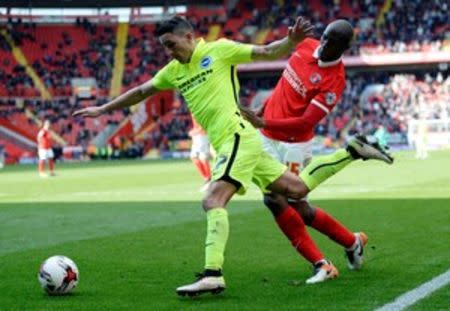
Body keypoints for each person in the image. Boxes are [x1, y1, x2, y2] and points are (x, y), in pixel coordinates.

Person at [73, 16, 392, 297]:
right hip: (245, 140)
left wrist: (289, 41)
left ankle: (213, 274)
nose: (169, 52)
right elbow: (143, 90)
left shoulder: (219, 50)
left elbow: (267, 52)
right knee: (295, 191)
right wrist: (104, 108)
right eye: (164, 47)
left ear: (189, 37)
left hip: (242, 136)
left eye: (171, 44)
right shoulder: (173, 70)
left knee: (213, 200)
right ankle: (351, 152)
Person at [240, 20, 391, 283]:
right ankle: (350, 242)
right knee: (294, 206)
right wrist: (264, 111)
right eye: (324, 37)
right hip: (266, 137)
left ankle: (323, 264)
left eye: (331, 41)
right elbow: (283, 85)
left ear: (343, 47)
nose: (323, 43)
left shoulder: (335, 81)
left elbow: (306, 122)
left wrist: (265, 122)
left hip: (294, 145)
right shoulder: (306, 45)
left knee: (278, 200)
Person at [189, 116, 212, 191]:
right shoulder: (193, 107)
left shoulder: (202, 106)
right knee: (193, 157)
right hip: (196, 135)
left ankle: (209, 179)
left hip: (202, 134)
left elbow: (206, 123)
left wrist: (196, 131)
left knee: (203, 157)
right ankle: (207, 178)